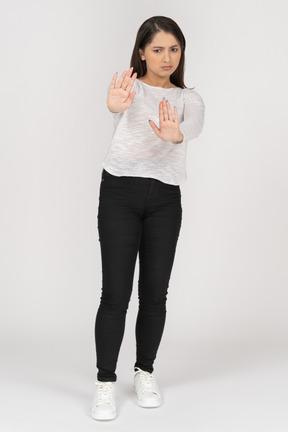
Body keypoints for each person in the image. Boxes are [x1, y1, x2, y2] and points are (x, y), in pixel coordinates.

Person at [91, 15, 205, 421]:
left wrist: (176, 135)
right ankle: (105, 382)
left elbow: (192, 127)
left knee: (155, 294)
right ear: (141, 51)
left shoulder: (188, 98)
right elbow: (114, 106)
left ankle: (145, 371)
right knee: (115, 295)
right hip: (119, 191)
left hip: (164, 199)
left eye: (174, 48)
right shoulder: (128, 88)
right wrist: (113, 106)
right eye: (157, 49)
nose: (167, 57)